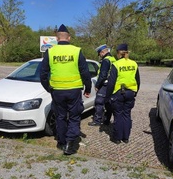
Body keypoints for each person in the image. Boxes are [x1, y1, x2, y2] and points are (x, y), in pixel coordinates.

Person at [40, 24, 92, 155]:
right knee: (74, 117)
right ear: (69, 37)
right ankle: (70, 143)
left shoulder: (50, 52)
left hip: (57, 91)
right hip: (74, 91)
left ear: (57, 38)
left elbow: (43, 74)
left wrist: (49, 88)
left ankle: (61, 142)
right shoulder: (76, 51)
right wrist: (88, 88)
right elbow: (85, 72)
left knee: (60, 117)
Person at [106, 43, 140, 144]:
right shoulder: (134, 63)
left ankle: (117, 138)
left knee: (118, 115)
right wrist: (135, 92)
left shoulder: (116, 65)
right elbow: (138, 80)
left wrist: (107, 97)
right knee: (127, 115)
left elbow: (111, 82)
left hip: (118, 93)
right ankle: (126, 137)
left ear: (118, 53)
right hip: (130, 93)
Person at [88, 44, 116, 126]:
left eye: (99, 53)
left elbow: (103, 75)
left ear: (103, 52)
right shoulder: (113, 59)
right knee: (108, 103)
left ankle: (97, 121)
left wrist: (97, 85)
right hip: (111, 84)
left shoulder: (105, 60)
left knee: (99, 102)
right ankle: (107, 120)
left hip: (104, 84)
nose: (99, 55)